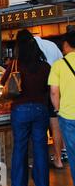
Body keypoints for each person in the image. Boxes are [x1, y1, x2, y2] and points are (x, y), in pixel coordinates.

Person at [1, 29, 50, 186]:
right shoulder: (45, 66)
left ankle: (18, 185)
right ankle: (42, 185)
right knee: (40, 147)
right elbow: (49, 88)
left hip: (20, 110)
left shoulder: (15, 64)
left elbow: (3, 82)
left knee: (20, 146)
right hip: (41, 109)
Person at [49, 30, 75, 186]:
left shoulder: (59, 65)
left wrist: (57, 110)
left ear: (66, 45)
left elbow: (53, 92)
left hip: (68, 115)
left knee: (73, 153)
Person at [34, 36, 66, 169]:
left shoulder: (32, 47)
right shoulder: (52, 45)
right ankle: (58, 159)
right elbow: (60, 61)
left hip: (41, 90)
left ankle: (40, 159)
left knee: (40, 125)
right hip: (55, 87)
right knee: (55, 124)